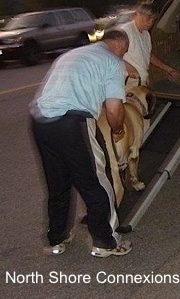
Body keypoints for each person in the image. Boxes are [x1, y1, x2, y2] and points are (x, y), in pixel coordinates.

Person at [30, 30, 133, 258]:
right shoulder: (112, 62)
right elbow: (114, 109)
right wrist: (118, 129)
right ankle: (105, 243)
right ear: (118, 44)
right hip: (72, 122)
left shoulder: (72, 54)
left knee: (58, 183)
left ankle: (56, 239)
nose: (123, 56)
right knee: (96, 182)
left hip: (40, 121)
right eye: (124, 51)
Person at [120, 1, 180, 86]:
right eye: (148, 18)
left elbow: (149, 56)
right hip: (129, 81)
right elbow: (111, 55)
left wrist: (168, 69)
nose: (150, 23)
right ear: (138, 14)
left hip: (142, 80)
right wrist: (131, 70)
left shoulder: (146, 34)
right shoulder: (125, 31)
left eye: (153, 20)